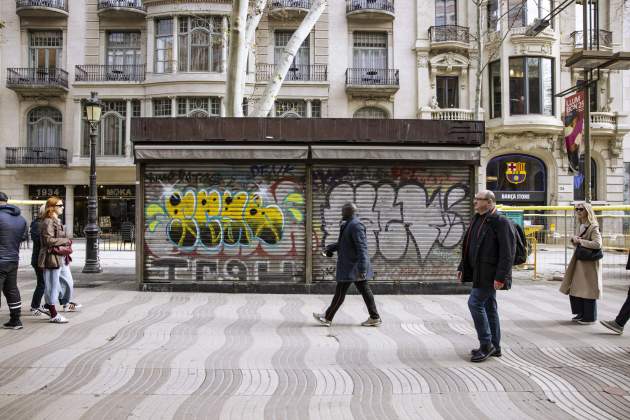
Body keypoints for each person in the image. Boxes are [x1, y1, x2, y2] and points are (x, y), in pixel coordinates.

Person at [458, 190, 515, 363]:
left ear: (490, 203)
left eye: (478, 199)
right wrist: (462, 266)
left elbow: (507, 253)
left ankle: (486, 344)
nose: (474, 202)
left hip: (490, 275)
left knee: (474, 303)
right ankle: (495, 346)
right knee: (489, 307)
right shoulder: (478, 218)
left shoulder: (500, 222)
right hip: (479, 272)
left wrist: (500, 277)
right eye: (474, 198)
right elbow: (469, 245)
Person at [313, 202, 381, 327]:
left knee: (341, 292)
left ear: (349, 211)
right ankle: (374, 317)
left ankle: (328, 318)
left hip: (352, 267)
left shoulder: (356, 226)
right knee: (365, 291)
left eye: (343, 211)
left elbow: (362, 248)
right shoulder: (349, 224)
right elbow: (343, 243)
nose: (341, 213)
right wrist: (330, 248)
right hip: (351, 266)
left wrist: (362, 268)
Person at [559, 202, 602, 325]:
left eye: (581, 209)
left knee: (588, 288)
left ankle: (590, 317)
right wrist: (575, 241)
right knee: (576, 286)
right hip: (579, 260)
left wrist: (581, 241)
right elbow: (580, 242)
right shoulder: (580, 225)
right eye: (576, 209)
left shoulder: (593, 226)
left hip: (589, 262)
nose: (578, 211)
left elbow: (598, 244)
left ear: (587, 211)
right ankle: (581, 313)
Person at [38, 196, 79, 324]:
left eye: (62, 205)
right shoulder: (48, 221)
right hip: (51, 257)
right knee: (52, 285)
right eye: (60, 205)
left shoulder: (56, 220)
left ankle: (61, 303)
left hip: (60, 256)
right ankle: (53, 312)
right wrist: (66, 241)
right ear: (52, 207)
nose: (62, 207)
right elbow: (48, 241)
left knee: (68, 282)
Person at [0, 191, 28, 330]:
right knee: (11, 289)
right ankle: (16, 320)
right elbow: (23, 237)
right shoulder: (21, 219)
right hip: (13, 259)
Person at [29, 204, 50, 317]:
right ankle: (35, 306)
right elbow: (41, 242)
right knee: (41, 283)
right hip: (38, 259)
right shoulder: (37, 225)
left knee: (45, 283)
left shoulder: (41, 224)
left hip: (43, 259)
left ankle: (44, 305)